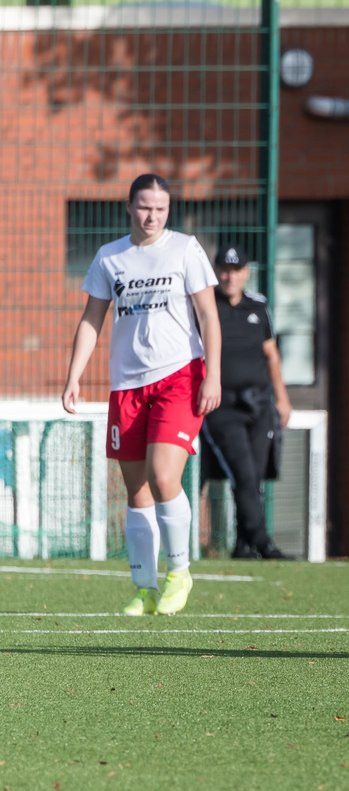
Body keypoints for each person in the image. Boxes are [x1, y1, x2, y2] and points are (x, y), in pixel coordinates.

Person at [61, 173, 222, 616]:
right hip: (128, 385)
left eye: (161, 209)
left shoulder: (185, 249)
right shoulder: (110, 257)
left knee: (164, 474)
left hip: (180, 376)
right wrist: (74, 376)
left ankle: (179, 572)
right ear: (129, 207)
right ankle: (144, 587)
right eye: (145, 207)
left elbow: (208, 315)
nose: (152, 216)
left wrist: (214, 375)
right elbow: (92, 319)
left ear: (168, 211)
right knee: (136, 490)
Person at [200, 242, 293, 560]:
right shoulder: (207, 307)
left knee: (253, 475)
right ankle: (263, 542)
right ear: (216, 273)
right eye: (224, 271)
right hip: (222, 406)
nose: (230, 277)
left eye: (236, 270)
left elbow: (271, 355)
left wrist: (282, 398)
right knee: (244, 473)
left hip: (259, 404)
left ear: (246, 273)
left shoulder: (257, 308)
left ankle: (243, 545)